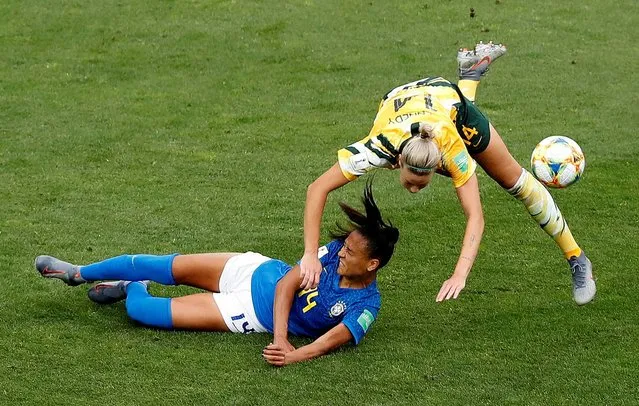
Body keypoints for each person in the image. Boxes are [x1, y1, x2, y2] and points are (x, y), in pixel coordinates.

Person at [300, 41, 596, 305]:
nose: (415, 190)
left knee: (514, 182)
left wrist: (459, 274)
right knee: (458, 150)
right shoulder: (377, 148)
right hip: (401, 100)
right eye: (412, 182)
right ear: (398, 160)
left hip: (448, 101)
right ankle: (470, 72)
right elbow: (317, 189)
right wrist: (309, 255)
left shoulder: (452, 150)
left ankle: (577, 258)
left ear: (437, 165)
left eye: (421, 182)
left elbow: (475, 217)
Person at [35, 182, 399, 366]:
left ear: (372, 265)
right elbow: (289, 281)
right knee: (161, 264)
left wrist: (294, 355)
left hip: (247, 312)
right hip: (256, 268)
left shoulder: (365, 305)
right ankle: (78, 272)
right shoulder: (335, 253)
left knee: (142, 313)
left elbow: (331, 340)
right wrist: (283, 337)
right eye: (345, 246)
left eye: (351, 252)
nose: (341, 253)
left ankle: (131, 288)